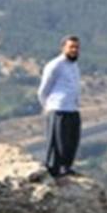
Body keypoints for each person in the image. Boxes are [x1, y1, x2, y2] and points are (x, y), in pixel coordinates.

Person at [38, 35, 82, 178]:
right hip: (58, 109)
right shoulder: (55, 65)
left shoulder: (74, 65)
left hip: (72, 109)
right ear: (63, 48)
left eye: (76, 47)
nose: (74, 50)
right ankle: (53, 171)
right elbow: (44, 90)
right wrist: (48, 106)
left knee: (71, 142)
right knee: (57, 143)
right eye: (71, 47)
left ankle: (66, 168)